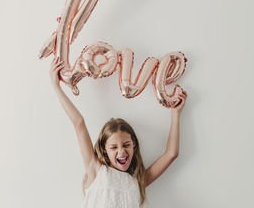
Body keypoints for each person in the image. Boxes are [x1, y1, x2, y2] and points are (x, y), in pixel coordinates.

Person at [49, 56, 187, 207]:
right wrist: (56, 86)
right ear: (104, 149)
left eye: (126, 144)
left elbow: (171, 154)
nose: (121, 151)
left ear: (134, 144)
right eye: (113, 147)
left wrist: (176, 114)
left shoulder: (137, 181)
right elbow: (79, 123)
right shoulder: (96, 171)